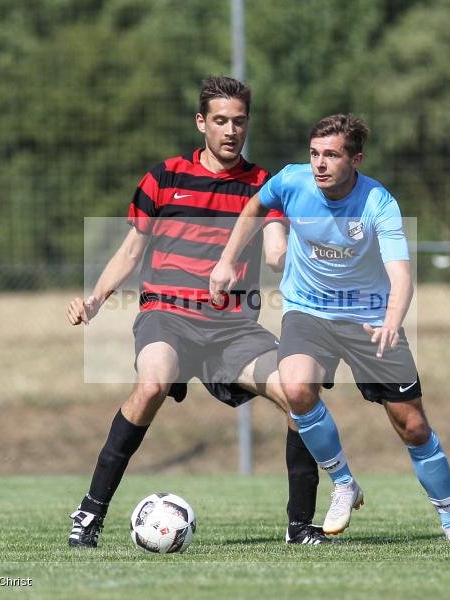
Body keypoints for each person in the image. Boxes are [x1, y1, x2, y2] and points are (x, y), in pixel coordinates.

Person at [65, 76, 331, 548]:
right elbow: (129, 253)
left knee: (300, 392)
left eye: (240, 121)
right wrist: (95, 299)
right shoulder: (164, 177)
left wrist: (287, 253)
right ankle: (89, 514)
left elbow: (275, 246)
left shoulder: (264, 184)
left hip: (232, 329)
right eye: (221, 121)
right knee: (152, 385)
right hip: (166, 315)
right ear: (201, 122)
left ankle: (301, 527)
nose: (231, 131)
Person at [210, 114, 450, 542]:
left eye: (331, 155)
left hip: (370, 319)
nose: (320, 164)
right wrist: (227, 260)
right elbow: (254, 208)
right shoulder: (291, 181)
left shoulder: (378, 203)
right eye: (314, 154)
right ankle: (343, 481)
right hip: (307, 312)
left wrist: (392, 320)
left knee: (412, 426)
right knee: (297, 389)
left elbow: (401, 276)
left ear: (356, 159)